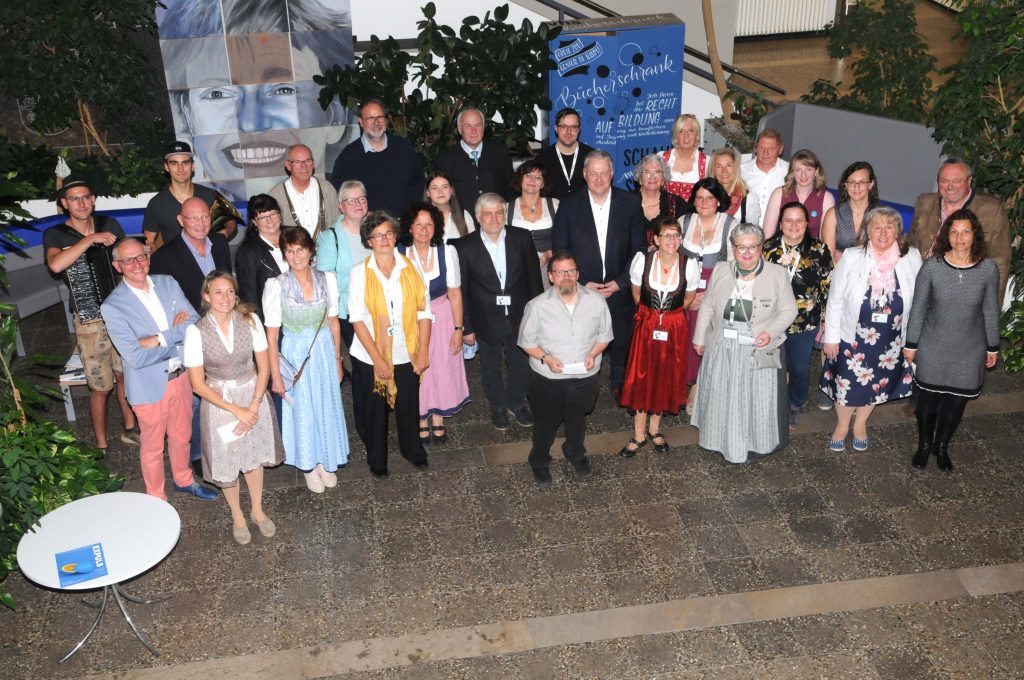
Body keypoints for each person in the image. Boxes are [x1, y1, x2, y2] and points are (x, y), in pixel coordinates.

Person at [101, 238, 218, 500]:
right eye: (128, 260)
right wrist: (176, 337)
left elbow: (194, 324)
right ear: (117, 266)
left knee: (182, 436)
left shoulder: (168, 282)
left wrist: (157, 338)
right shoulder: (112, 306)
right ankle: (157, 498)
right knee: (152, 448)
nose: (136, 264)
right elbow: (135, 357)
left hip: (183, 377)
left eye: (141, 256)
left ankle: (184, 479)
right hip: (149, 386)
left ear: (149, 257)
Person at [184, 272, 283, 544]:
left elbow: (263, 367)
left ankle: (257, 510)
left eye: (229, 291)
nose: (225, 298)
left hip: (253, 394)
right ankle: (238, 515)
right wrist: (236, 410)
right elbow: (197, 384)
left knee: (253, 454)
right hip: (219, 401)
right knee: (228, 459)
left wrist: (253, 404)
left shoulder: (250, 321)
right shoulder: (196, 331)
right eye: (218, 292)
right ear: (206, 297)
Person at [45, 174, 137, 451]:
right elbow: (56, 265)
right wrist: (90, 240)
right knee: (100, 385)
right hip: (89, 319)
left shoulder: (110, 224)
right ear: (64, 203)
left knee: (125, 375)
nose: (81, 203)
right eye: (74, 199)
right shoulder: (56, 234)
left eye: (86, 197)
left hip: (121, 312)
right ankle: (101, 446)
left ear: (94, 199)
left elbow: (127, 258)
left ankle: (130, 427)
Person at [691, 224, 797, 464]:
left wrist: (769, 333)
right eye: (741, 247)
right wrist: (699, 338)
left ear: (761, 248)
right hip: (722, 342)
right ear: (733, 248)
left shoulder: (777, 273)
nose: (747, 253)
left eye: (753, 247)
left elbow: (789, 310)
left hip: (756, 344)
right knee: (722, 394)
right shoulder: (720, 270)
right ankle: (719, 439)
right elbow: (707, 305)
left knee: (753, 398)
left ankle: (753, 444)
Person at [905, 209, 1000, 472]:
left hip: (970, 349)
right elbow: (918, 308)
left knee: (955, 403)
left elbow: (990, 309)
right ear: (947, 234)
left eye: (965, 231)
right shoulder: (932, 267)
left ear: (974, 234)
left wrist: (993, 345)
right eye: (954, 231)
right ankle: (924, 446)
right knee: (927, 404)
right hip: (933, 345)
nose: (959, 237)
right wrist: (911, 343)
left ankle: (941, 446)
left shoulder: (987, 269)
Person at [820, 207, 922, 452]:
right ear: (867, 230)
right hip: (852, 336)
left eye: (889, 227)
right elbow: (834, 300)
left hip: (891, 339)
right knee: (846, 385)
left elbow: (920, 301)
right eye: (877, 227)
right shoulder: (853, 256)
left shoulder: (912, 257)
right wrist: (831, 338)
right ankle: (843, 425)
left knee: (875, 384)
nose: (883, 232)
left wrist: (913, 341)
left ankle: (861, 424)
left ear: (898, 231)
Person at [552, 150, 645, 394]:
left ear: (612, 173)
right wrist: (580, 281)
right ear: (584, 174)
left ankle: (619, 387)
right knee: (582, 342)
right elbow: (561, 248)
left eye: (604, 173)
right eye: (593, 173)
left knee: (622, 341)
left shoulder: (631, 203)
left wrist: (622, 282)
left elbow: (639, 249)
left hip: (619, 289)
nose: (599, 178)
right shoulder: (569, 206)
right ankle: (582, 388)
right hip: (581, 289)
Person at [264, 227, 349, 493]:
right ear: (285, 254)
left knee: (325, 404)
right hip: (294, 354)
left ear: (310, 250)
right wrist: (275, 375)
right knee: (302, 409)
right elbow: (272, 335)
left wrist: (338, 359)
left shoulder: (328, 279)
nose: (296, 255)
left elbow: (334, 323)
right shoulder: (277, 285)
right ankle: (308, 465)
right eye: (290, 251)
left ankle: (325, 458)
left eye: (300, 249)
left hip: (323, 351)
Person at [347, 212, 432, 479]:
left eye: (388, 233)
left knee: (409, 405)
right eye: (377, 235)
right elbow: (357, 320)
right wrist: (378, 360)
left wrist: (423, 351)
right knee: (375, 411)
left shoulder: (411, 268)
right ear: (368, 241)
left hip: (406, 350)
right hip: (369, 354)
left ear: (395, 236)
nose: (383, 239)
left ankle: (412, 450)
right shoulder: (360, 272)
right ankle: (377, 458)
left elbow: (424, 312)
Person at [518, 251, 613, 485]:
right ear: (550, 276)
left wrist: (593, 354)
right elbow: (526, 342)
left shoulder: (596, 301)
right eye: (560, 272)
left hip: (585, 376)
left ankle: (575, 453)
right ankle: (539, 459)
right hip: (547, 377)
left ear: (578, 273)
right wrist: (547, 358)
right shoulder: (537, 306)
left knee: (577, 418)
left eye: (571, 271)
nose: (566, 276)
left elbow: (605, 335)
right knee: (545, 422)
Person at [455, 193, 544, 430]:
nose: (494, 218)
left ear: (505, 214)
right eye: (488, 214)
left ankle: (517, 402)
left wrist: (537, 318)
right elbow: (462, 290)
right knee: (490, 366)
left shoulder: (522, 238)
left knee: (520, 363)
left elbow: (534, 279)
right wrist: (467, 326)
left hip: (519, 316)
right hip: (485, 319)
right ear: (477, 217)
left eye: (498, 213)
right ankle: (497, 406)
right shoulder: (463, 246)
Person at [618, 217, 699, 456]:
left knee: (665, 375)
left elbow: (689, 297)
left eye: (676, 235)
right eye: (666, 235)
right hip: (647, 323)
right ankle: (639, 434)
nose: (672, 240)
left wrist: (670, 314)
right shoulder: (643, 260)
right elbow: (635, 292)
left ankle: (655, 429)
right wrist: (652, 315)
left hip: (673, 326)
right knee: (642, 376)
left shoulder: (689, 264)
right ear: (656, 239)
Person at [397, 203, 470, 444]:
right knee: (418, 368)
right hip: (410, 319)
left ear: (436, 227)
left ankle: (438, 415)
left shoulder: (447, 252)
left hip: (443, 315)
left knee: (442, 365)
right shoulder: (399, 254)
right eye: (418, 224)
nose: (424, 229)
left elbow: (455, 293)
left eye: (429, 224)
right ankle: (419, 416)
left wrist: (459, 329)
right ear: (409, 227)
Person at [762, 202, 833, 427]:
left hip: (804, 322)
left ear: (806, 224)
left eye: (799, 220)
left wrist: (826, 318)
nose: (794, 225)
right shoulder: (767, 249)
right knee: (771, 365)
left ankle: (795, 403)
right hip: (771, 320)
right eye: (788, 220)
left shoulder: (819, 250)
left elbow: (828, 285)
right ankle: (770, 402)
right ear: (780, 223)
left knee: (799, 368)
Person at [907, 157, 1011, 301]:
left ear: (969, 181)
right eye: (944, 181)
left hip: (962, 296)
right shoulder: (925, 202)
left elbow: (1000, 262)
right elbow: (910, 244)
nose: (950, 187)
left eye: (956, 181)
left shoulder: (991, 210)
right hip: (919, 288)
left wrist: (992, 309)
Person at [678, 177, 738, 413]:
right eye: (699, 197)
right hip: (686, 291)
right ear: (693, 201)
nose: (704, 202)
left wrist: (707, 297)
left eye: (710, 198)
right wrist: (689, 296)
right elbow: (674, 261)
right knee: (684, 339)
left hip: (717, 291)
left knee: (708, 339)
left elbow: (735, 268)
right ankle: (684, 382)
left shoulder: (731, 225)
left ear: (718, 201)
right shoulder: (683, 222)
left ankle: (699, 386)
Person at [329, 99, 424, 216]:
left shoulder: (403, 148)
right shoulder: (348, 157)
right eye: (370, 119)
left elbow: (418, 183)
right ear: (361, 122)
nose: (376, 122)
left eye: (380, 117)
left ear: (386, 120)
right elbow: (339, 193)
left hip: (405, 224)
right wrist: (366, 216)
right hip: (368, 226)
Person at [142, 141, 238, 248]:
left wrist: (224, 234)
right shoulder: (157, 203)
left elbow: (231, 223)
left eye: (185, 162)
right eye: (174, 163)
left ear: (192, 166)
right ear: (166, 167)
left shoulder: (209, 195)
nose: (180, 168)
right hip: (175, 262)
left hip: (210, 259)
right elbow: (148, 241)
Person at [316, 180, 373, 353]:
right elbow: (325, 282)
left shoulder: (378, 230)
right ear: (341, 206)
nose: (358, 204)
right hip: (350, 310)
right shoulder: (329, 238)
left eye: (362, 199)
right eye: (351, 200)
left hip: (380, 305)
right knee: (361, 363)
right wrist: (365, 278)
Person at [150, 197, 233, 313]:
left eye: (205, 217)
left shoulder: (220, 242)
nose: (201, 223)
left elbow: (229, 285)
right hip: (191, 324)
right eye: (193, 218)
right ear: (180, 220)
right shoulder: (163, 257)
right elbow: (163, 303)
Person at [435, 108, 515, 220]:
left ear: (483, 127)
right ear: (459, 129)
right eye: (467, 126)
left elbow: (511, 187)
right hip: (462, 224)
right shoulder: (446, 159)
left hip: (496, 222)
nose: (473, 131)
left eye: (478, 125)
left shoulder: (499, 152)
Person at [267, 144, 341, 238]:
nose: (304, 166)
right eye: (297, 162)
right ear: (288, 165)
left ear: (313, 164)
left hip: (326, 251)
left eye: (307, 161)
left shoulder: (328, 189)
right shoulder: (275, 196)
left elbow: (337, 224)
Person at [235, 194, 288, 323]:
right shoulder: (248, 251)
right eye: (262, 217)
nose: (269, 221)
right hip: (274, 321)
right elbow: (249, 297)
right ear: (254, 222)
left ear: (279, 215)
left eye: (273, 214)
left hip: (307, 312)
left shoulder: (296, 235)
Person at [762, 149, 835, 240]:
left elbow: (825, 240)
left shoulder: (827, 198)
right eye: (798, 170)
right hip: (781, 249)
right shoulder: (778, 194)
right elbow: (767, 237)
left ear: (816, 171)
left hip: (812, 250)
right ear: (792, 172)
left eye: (808, 169)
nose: (803, 175)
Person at [508, 160, 558, 287]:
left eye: (538, 177)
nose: (532, 180)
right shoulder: (506, 208)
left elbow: (565, 238)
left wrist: (548, 254)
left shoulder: (555, 205)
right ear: (520, 179)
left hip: (549, 268)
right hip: (517, 269)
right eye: (528, 175)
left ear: (542, 184)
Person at [820, 161, 880, 263]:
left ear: (871, 184)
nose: (856, 187)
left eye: (862, 182)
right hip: (838, 270)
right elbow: (828, 256)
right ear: (845, 185)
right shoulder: (833, 214)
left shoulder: (880, 215)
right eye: (852, 182)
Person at [535, 107, 594, 200]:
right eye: (563, 126)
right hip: (553, 213)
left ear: (579, 130)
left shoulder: (592, 157)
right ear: (555, 128)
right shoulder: (542, 158)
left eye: (573, 126)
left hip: (584, 212)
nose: (568, 131)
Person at [634, 153, 689, 243]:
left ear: (663, 178)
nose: (652, 176)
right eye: (647, 172)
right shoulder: (626, 202)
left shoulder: (678, 204)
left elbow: (685, 238)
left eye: (658, 172)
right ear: (640, 178)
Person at [740, 127, 788, 225]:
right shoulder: (741, 171)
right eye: (762, 148)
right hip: (746, 230)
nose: (765, 153)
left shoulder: (790, 171)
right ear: (756, 148)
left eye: (771, 149)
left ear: (780, 150)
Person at [661, 114, 708, 202]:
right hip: (666, 214)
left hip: (695, 214)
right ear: (675, 136)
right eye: (681, 131)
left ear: (697, 135)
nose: (686, 135)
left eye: (691, 131)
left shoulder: (708, 162)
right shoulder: (662, 158)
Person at [709, 147, 760, 227]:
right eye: (719, 166)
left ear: (735, 168)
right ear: (713, 170)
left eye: (729, 165)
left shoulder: (749, 199)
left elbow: (753, 233)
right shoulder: (705, 196)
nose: (724, 170)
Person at [426, 171, 475, 242]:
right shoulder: (420, 218)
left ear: (451, 190)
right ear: (428, 193)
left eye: (445, 187)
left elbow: (472, 245)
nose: (440, 191)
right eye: (435, 188)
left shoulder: (464, 215)